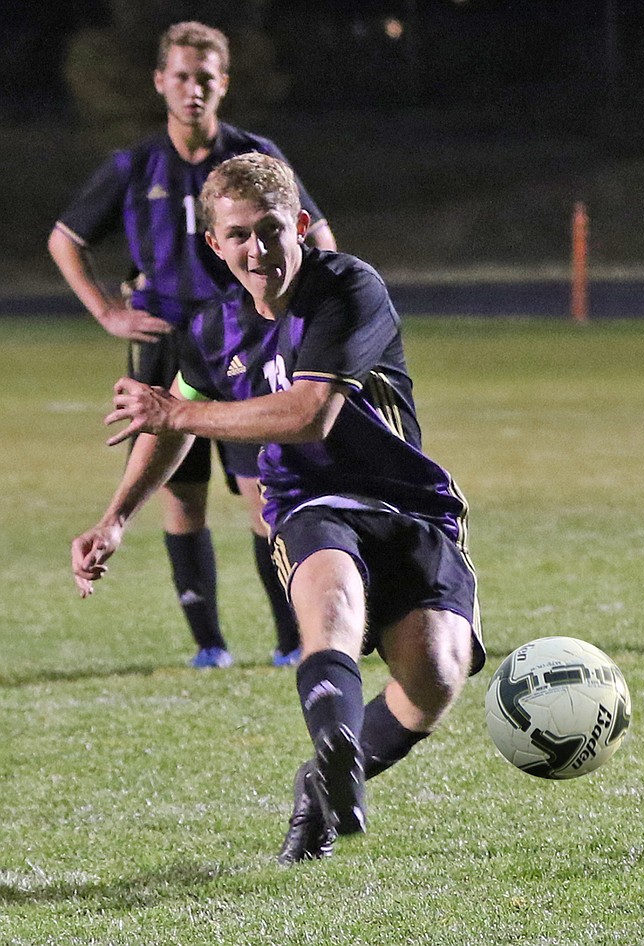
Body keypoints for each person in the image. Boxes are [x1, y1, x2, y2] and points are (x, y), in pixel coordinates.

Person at [70, 152, 485, 864]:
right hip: (306, 502)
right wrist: (115, 517)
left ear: (298, 225)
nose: (256, 251)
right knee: (334, 601)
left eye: (269, 231)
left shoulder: (348, 287)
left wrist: (176, 414)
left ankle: (321, 784)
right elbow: (173, 430)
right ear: (214, 243)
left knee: (438, 674)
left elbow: (307, 414)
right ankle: (335, 741)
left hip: (407, 502)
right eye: (237, 236)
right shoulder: (210, 332)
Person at [49, 21, 338, 669]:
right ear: (160, 82)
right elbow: (65, 238)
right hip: (163, 344)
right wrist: (108, 311)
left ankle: (291, 639)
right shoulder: (136, 165)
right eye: (180, 76)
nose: (192, 90)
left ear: (223, 84)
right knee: (180, 494)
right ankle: (209, 644)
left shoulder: (252, 157)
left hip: (243, 344)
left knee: (262, 491)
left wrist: (304, 312)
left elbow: (317, 234)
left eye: (205, 78)